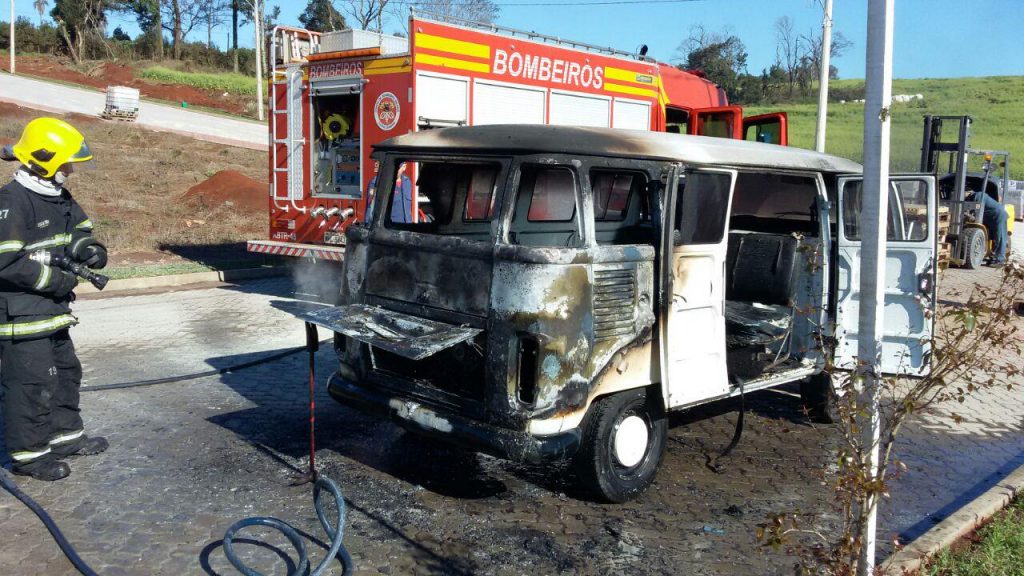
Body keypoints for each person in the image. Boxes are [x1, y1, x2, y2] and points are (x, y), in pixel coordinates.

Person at [0, 117, 108, 481]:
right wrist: (58, 281)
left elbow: (80, 229)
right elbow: (7, 263)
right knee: (31, 384)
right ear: (45, 160)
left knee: (65, 374)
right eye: (65, 163)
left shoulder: (57, 197)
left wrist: (90, 250)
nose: (70, 169)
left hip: (52, 310)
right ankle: (30, 456)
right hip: (20, 315)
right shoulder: (12, 203)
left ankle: (66, 438)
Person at [969, 188, 1008, 266]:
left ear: (968, 192)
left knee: (1000, 238)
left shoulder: (979, 195)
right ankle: (994, 257)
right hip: (991, 218)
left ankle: (1000, 260)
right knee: (994, 238)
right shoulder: (975, 197)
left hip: (998, 216)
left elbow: (978, 209)